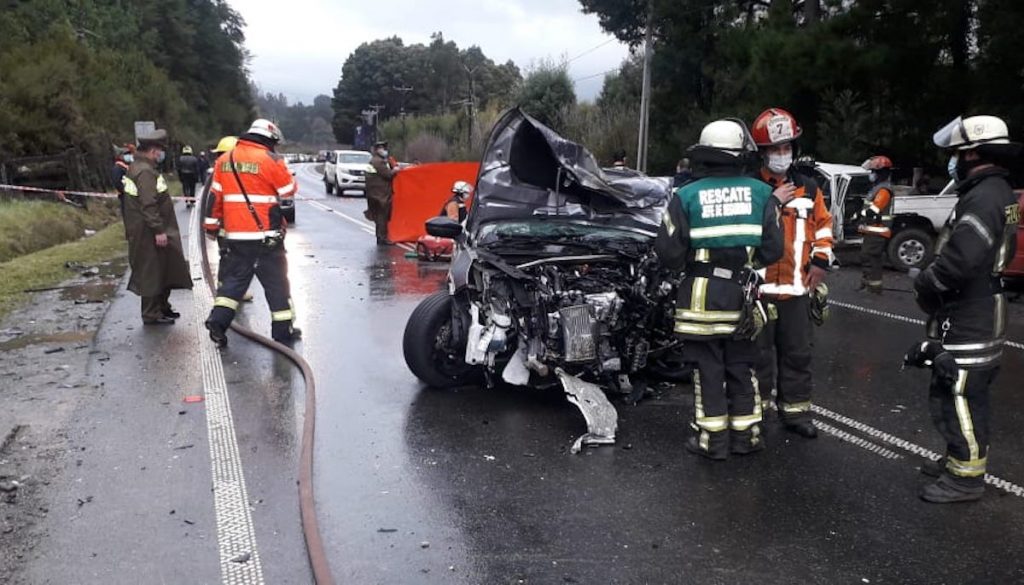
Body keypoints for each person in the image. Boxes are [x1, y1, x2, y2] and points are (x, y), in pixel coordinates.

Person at [904, 115, 1020, 503]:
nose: (952, 161)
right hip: (982, 306)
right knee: (967, 390)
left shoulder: (984, 196)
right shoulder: (999, 191)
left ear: (972, 153)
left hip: (970, 311)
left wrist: (927, 283)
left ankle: (965, 478)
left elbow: (961, 259)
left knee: (960, 391)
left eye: (955, 154)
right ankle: (958, 458)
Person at [655, 118, 785, 460]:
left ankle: (713, 441)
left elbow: (668, 253)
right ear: (740, 154)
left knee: (708, 369)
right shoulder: (762, 194)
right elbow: (773, 251)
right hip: (741, 297)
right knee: (742, 367)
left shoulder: (685, 196)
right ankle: (747, 437)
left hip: (700, 298)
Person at [750, 107, 834, 438]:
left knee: (798, 354)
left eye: (787, 148)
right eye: (775, 149)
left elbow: (825, 227)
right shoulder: (751, 188)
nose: (782, 155)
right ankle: (754, 413)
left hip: (798, 290)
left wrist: (821, 262)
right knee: (757, 359)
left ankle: (796, 413)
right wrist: (769, 201)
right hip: (759, 291)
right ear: (762, 153)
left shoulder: (809, 188)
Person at [203, 119, 300, 347]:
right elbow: (288, 190)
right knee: (277, 284)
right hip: (266, 236)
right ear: (269, 140)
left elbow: (214, 198)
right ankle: (282, 332)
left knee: (234, 282)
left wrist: (210, 227)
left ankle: (217, 321)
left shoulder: (225, 160)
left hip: (235, 236)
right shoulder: (271, 159)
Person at [122, 129, 192, 325]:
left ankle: (162, 307)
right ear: (153, 151)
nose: (161, 155)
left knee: (165, 267)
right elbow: (148, 204)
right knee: (151, 270)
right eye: (160, 151)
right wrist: (158, 230)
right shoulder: (144, 171)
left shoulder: (142, 167)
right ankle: (151, 313)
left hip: (150, 229)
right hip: (148, 231)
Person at [857, 155, 895, 294]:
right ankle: (868, 284)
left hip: (878, 231)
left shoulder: (883, 190)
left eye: (873, 172)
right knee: (869, 257)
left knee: (869, 257)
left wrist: (860, 216)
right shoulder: (877, 188)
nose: (871, 175)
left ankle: (872, 288)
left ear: (880, 173)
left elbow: (874, 210)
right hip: (873, 231)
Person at [365, 140, 400, 245]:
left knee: (380, 216)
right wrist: (395, 170)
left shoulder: (378, 160)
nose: (384, 150)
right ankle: (382, 238)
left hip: (376, 192)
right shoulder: (378, 162)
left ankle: (380, 237)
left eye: (384, 148)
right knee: (382, 216)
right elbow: (388, 175)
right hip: (379, 194)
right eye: (381, 148)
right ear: (377, 150)